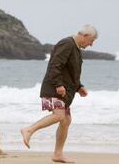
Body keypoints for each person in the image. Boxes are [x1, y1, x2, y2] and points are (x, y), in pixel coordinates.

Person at [20, 25, 98, 163]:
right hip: (53, 88)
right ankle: (28, 130)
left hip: (63, 90)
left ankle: (58, 154)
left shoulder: (76, 49)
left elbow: (71, 72)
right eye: (91, 41)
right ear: (84, 36)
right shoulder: (67, 43)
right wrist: (58, 84)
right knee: (59, 115)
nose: (91, 44)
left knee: (66, 120)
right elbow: (55, 65)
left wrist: (79, 86)